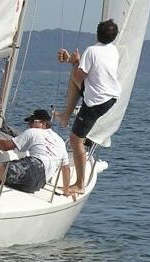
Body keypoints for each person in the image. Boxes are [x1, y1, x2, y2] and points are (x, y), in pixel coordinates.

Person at [56, 19, 120, 194]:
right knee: (76, 69)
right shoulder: (113, 50)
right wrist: (74, 61)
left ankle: (79, 184)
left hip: (96, 101)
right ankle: (65, 116)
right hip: (111, 97)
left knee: (76, 140)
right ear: (114, 37)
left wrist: (74, 62)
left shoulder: (91, 51)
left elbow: (78, 77)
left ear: (97, 33)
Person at [0, 109, 73, 197]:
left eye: (32, 121)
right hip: (39, 183)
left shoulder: (32, 131)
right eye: (29, 122)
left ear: (43, 123)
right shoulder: (60, 140)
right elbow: (66, 168)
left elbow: (6, 146)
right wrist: (66, 191)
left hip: (33, 166)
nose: (29, 125)